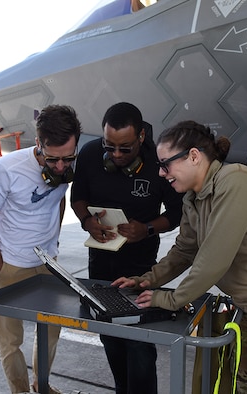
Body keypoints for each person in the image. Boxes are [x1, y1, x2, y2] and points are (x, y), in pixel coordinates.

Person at [113, 120, 247, 393]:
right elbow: (184, 250)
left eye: (166, 164)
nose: (160, 172)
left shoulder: (236, 180)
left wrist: (171, 299)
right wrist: (146, 281)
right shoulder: (194, 199)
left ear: (193, 156)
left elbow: (215, 258)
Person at [70, 102, 183, 394]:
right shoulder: (91, 154)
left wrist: (145, 229)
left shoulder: (159, 161)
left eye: (125, 148)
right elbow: (77, 196)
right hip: (101, 267)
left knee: (139, 345)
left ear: (141, 138)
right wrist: (86, 221)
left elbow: (176, 213)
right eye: (110, 147)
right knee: (110, 337)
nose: (116, 155)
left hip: (141, 268)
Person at [0, 104, 82, 394]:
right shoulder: (5, 169)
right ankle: (20, 391)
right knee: (11, 340)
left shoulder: (66, 167)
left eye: (67, 159)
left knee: (50, 330)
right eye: (53, 159)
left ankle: (41, 385)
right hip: (9, 261)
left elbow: (58, 199)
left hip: (47, 260)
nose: (60, 167)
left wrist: (54, 239)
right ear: (38, 143)